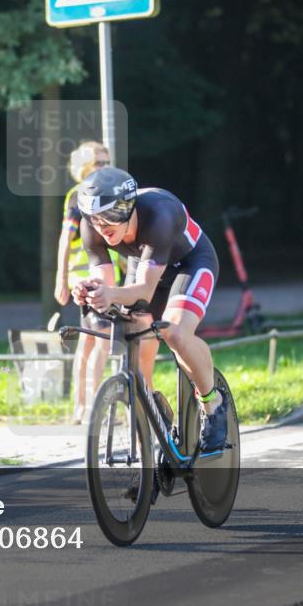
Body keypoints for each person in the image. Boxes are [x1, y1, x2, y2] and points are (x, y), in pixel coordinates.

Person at [71, 167, 228, 451]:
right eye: (93, 219)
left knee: (175, 333)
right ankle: (153, 431)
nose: (101, 226)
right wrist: (90, 291)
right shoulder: (91, 226)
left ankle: (212, 403)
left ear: (126, 208)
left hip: (189, 265)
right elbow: (108, 287)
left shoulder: (159, 213)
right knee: (139, 346)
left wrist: (110, 293)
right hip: (144, 267)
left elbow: (143, 290)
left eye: (108, 217)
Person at [54, 141, 121, 424]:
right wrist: (61, 279)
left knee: (89, 342)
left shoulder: (107, 193)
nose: (105, 166)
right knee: (102, 342)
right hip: (87, 278)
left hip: (101, 277)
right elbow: (65, 240)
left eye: (107, 161)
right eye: (99, 162)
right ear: (84, 169)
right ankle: (94, 406)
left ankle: (81, 407)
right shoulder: (78, 196)